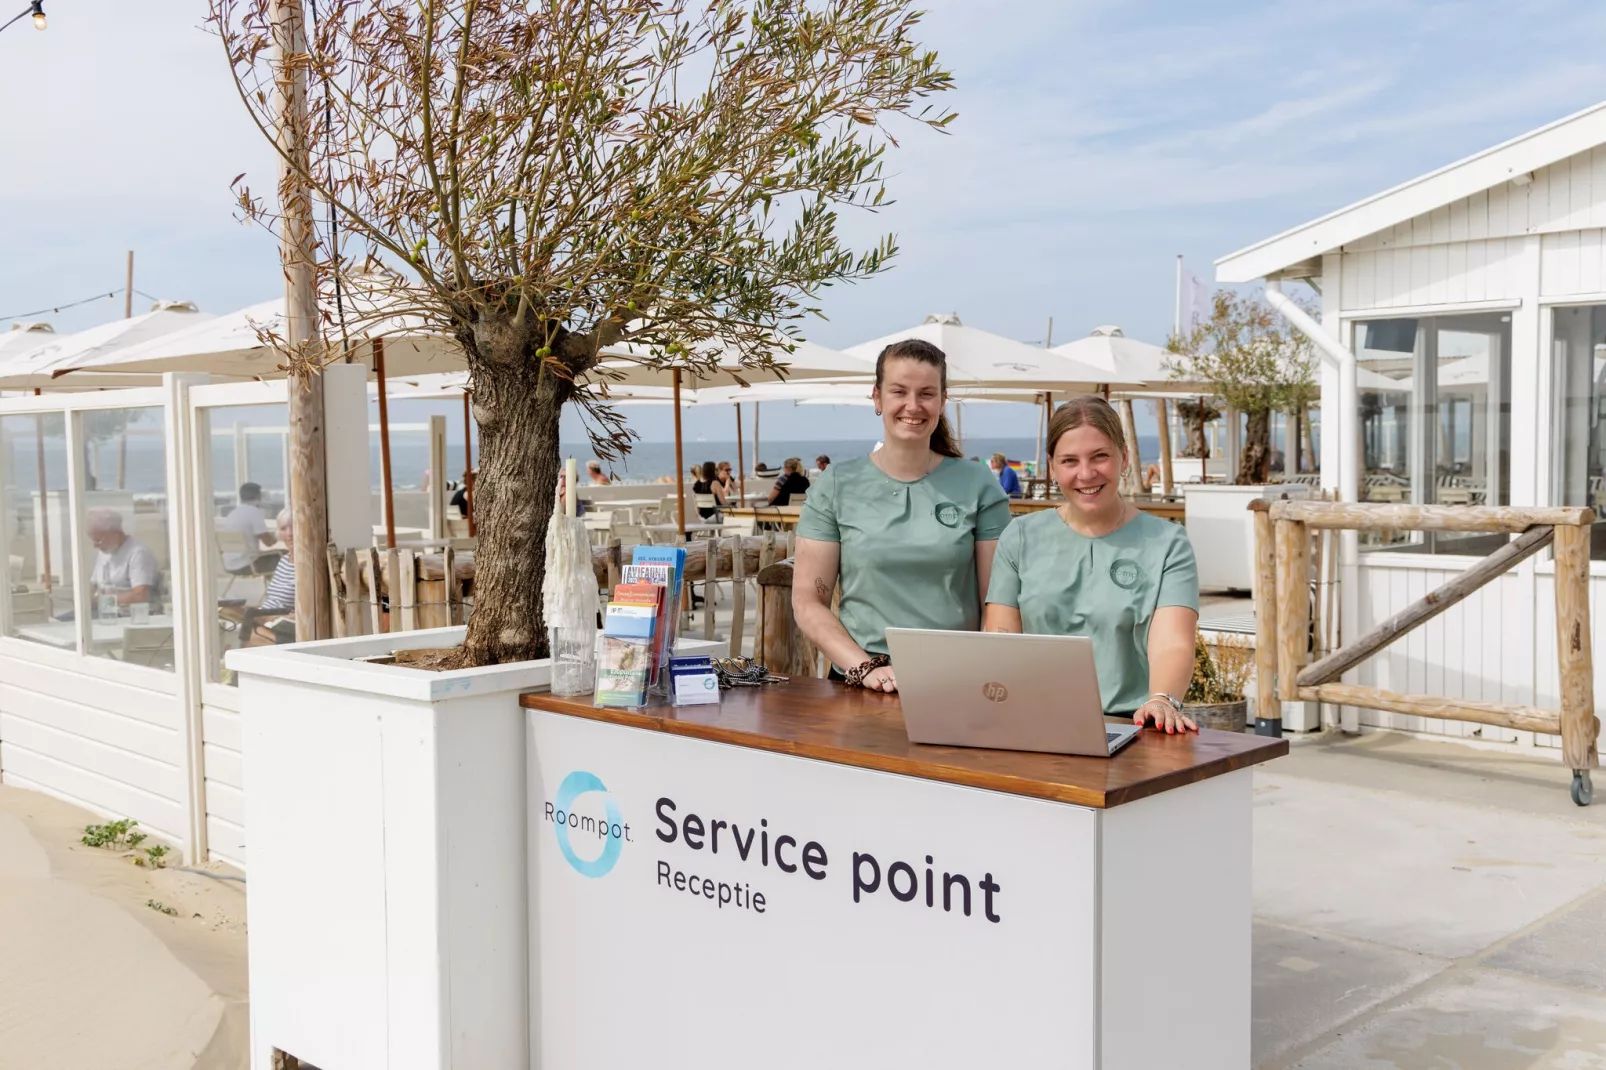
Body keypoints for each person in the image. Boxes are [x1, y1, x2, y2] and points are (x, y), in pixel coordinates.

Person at [792, 339, 1011, 693]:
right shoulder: (836, 484)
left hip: (957, 681)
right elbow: (807, 601)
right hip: (861, 680)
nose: (913, 405)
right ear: (877, 398)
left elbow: (997, 603)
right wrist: (865, 667)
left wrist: (984, 674)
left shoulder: (979, 484)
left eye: (926, 393)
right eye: (899, 391)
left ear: (942, 400)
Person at [983, 396, 1199, 733]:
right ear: (1052, 467)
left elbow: (1173, 642)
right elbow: (1000, 639)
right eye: (1070, 460)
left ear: (1124, 457)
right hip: (1033, 723)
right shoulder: (1020, 536)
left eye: (1100, 456)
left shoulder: (1168, 542)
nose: (1086, 473)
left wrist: (1162, 698)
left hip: (1130, 727)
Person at [87, 508, 160, 608]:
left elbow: (141, 596)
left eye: (98, 540)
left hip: (125, 613)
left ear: (116, 533)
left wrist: (103, 602)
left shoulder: (138, 553)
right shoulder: (105, 551)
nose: (95, 546)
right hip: (104, 609)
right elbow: (94, 584)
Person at [248, 509, 297, 644]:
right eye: (283, 528)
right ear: (279, 534)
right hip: (266, 618)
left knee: (249, 632)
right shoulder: (284, 560)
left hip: (282, 624)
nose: (290, 534)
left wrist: (271, 618)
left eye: (294, 527)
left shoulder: (307, 566)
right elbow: (273, 599)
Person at [220, 482, 277, 574]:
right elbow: (269, 542)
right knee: (285, 556)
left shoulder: (232, 513)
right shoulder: (254, 512)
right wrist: (278, 535)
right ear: (258, 496)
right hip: (248, 564)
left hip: (229, 565)